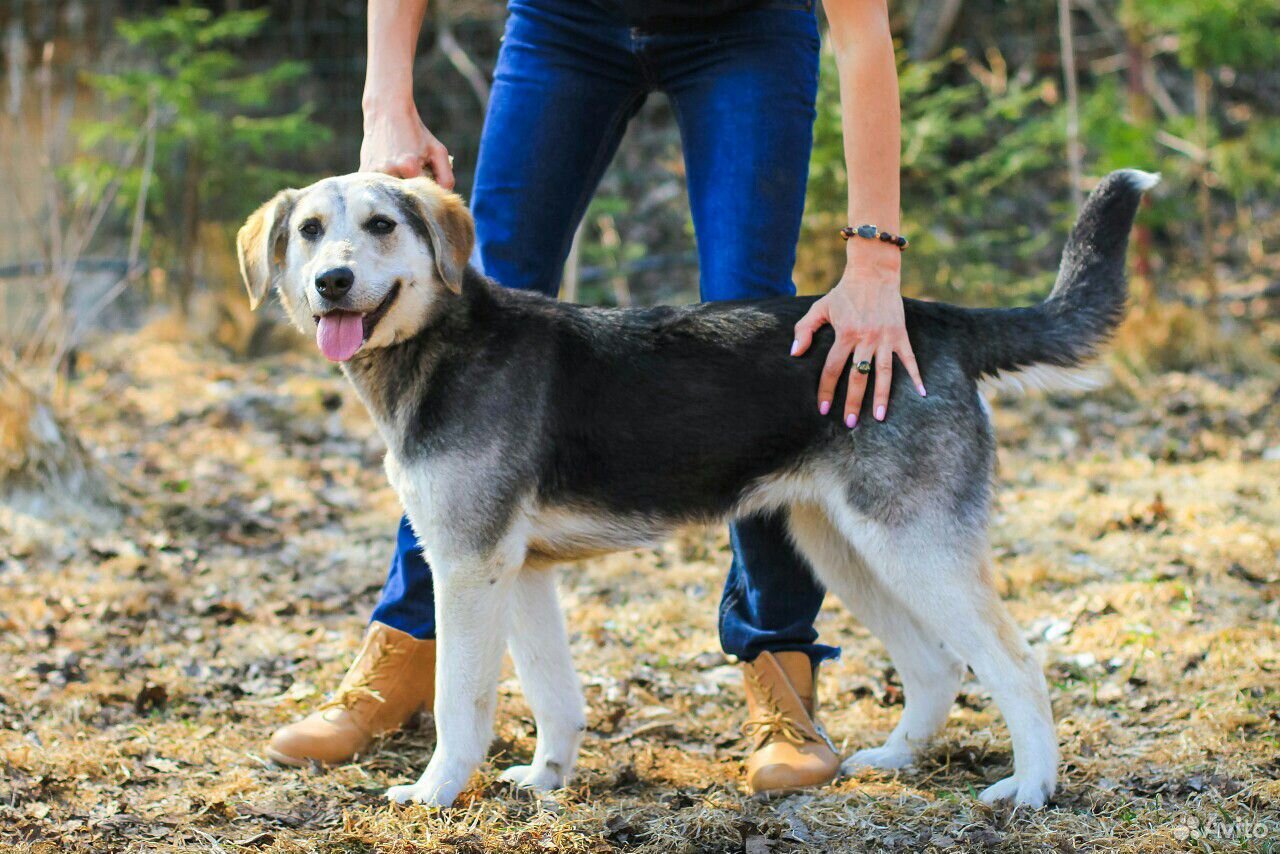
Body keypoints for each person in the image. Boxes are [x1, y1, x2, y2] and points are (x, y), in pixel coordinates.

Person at [267, 0, 924, 795]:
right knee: (480, 293)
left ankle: (778, 664)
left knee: (753, 314)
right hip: (564, 22)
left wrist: (875, 261)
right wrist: (386, 98)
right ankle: (412, 646)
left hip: (747, 27)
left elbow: (860, 31)